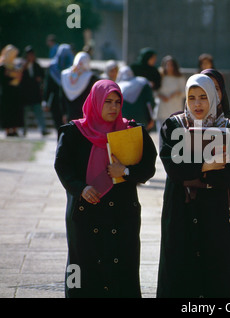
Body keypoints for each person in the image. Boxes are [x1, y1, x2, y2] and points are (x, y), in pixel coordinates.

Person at [157, 74, 230, 298]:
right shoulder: (174, 126)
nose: (197, 103)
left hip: (218, 215)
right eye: (192, 97)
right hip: (181, 214)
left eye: (203, 97)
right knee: (179, 277)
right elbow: (173, 168)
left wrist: (193, 173)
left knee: (216, 277)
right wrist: (206, 166)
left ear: (214, 97)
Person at [54, 79, 157, 298]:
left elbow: (148, 167)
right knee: (80, 267)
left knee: (122, 267)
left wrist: (125, 172)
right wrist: (80, 188)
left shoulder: (132, 131)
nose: (113, 107)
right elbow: (62, 166)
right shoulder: (74, 132)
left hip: (122, 214)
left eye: (117, 102)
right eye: (107, 101)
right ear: (95, 101)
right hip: (85, 212)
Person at [43, 43, 74, 130]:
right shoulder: (52, 68)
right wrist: (45, 100)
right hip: (56, 102)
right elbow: (47, 86)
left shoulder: (74, 70)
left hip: (70, 101)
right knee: (59, 126)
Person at [60, 51, 98, 122]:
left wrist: (64, 112)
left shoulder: (65, 75)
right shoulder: (91, 77)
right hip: (83, 114)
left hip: (69, 112)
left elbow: (61, 96)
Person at [20, 46, 49, 136]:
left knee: (38, 112)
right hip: (25, 94)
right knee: (24, 113)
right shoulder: (23, 65)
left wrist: (39, 79)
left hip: (35, 93)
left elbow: (42, 76)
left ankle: (43, 129)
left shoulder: (36, 65)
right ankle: (23, 130)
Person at [116, 66, 156, 131]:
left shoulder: (117, 86)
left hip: (124, 122)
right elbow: (149, 103)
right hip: (142, 119)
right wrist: (151, 118)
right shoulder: (142, 82)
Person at [155, 55, 185, 133]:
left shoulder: (180, 78)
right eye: (167, 65)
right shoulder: (160, 77)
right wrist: (161, 96)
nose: (169, 67)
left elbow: (185, 93)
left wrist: (175, 93)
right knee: (162, 132)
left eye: (171, 65)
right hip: (162, 108)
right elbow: (154, 91)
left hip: (175, 108)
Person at [0, 44, 24, 137]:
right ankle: (7, 130)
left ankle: (14, 129)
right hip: (6, 93)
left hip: (15, 93)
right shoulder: (2, 66)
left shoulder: (14, 66)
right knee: (7, 111)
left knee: (15, 111)